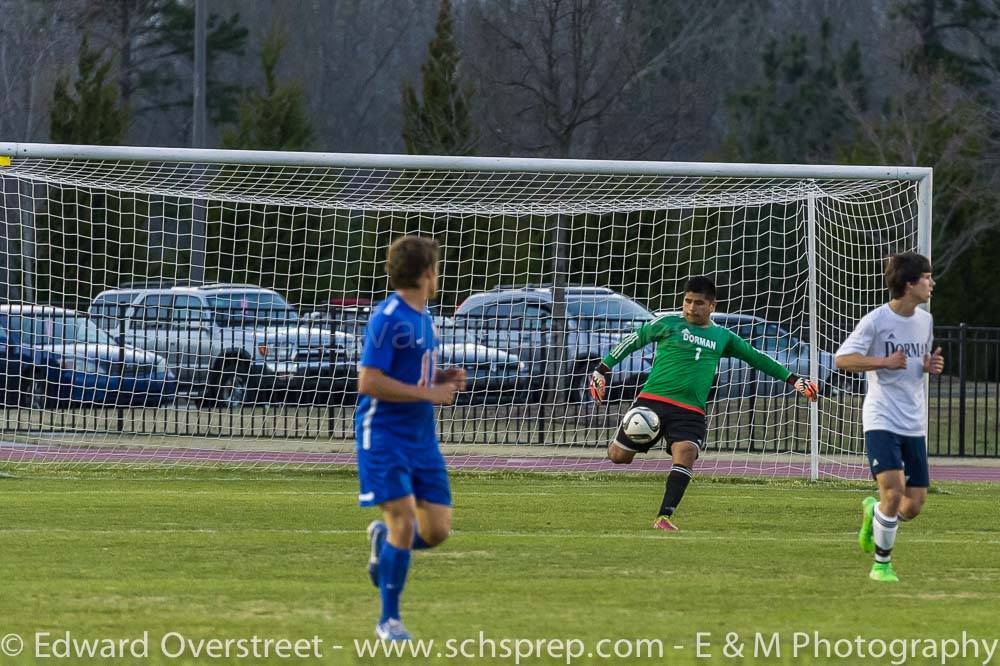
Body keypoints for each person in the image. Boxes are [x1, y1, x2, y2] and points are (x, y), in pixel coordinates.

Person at [590, 276, 819, 531]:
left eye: (698, 303)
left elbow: (757, 358)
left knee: (686, 453)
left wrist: (794, 380)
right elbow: (633, 340)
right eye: (687, 301)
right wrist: (602, 369)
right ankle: (626, 444)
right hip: (652, 402)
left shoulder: (723, 337)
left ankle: (664, 517)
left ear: (712, 306)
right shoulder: (667, 324)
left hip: (690, 411)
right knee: (618, 457)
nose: (690, 308)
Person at [355, 235, 466, 640]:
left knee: (436, 531)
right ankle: (389, 621)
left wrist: (442, 378)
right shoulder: (388, 317)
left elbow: (409, 374)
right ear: (426, 273)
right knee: (402, 518)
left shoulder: (425, 317)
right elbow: (368, 381)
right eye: (436, 267)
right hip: (384, 435)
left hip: (422, 439)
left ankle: (384, 545)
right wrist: (430, 393)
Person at [835, 252, 943, 583]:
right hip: (881, 417)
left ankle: (874, 511)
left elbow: (916, 362)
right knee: (894, 493)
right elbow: (842, 360)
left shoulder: (926, 321)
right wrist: (883, 362)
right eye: (926, 277)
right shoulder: (876, 320)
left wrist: (928, 367)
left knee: (912, 506)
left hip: (914, 421)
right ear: (909, 284)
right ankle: (881, 565)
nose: (931, 283)